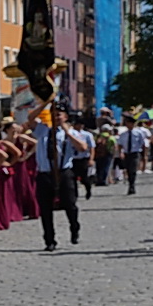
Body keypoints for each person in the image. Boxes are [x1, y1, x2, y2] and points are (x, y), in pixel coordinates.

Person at [29, 104, 91, 250]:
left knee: (70, 205)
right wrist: (44, 104)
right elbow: (31, 117)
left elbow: (83, 147)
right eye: (53, 114)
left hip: (64, 172)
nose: (56, 117)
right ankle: (49, 240)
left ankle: (74, 228)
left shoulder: (70, 133)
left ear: (65, 117)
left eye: (59, 114)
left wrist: (68, 133)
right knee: (45, 208)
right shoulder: (43, 130)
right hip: (45, 173)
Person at [118, 114, 150, 195]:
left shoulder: (138, 133)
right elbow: (120, 144)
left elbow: (143, 144)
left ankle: (132, 186)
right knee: (128, 169)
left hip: (135, 153)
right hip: (126, 153)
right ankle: (130, 183)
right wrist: (120, 153)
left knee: (133, 170)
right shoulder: (123, 134)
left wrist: (144, 154)